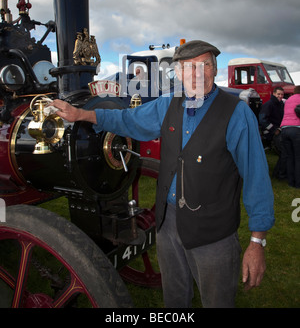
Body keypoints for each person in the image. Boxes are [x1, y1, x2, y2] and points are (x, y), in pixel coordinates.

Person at [52, 40, 275, 308]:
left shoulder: (237, 113)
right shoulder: (167, 104)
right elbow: (127, 120)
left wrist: (257, 241)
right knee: (174, 298)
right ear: (178, 73)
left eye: (205, 65)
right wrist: (81, 114)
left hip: (213, 234)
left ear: (215, 70)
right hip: (167, 226)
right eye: (189, 67)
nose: (197, 73)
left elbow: (257, 178)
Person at [259, 87, 285, 179]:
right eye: (278, 94)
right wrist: (274, 130)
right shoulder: (269, 105)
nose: (280, 96)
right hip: (271, 133)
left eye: (282, 94)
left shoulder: (281, 104)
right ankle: (278, 174)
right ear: (273, 94)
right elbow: (262, 119)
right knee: (284, 152)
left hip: (279, 131)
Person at [280, 85, 300, 188]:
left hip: (284, 129)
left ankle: (290, 182)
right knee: (298, 157)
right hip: (297, 129)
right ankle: (298, 183)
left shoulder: (288, 100)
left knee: (289, 156)